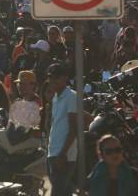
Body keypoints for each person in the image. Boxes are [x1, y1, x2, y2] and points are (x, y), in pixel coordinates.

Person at [46, 63, 78, 196]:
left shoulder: (71, 96)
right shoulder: (55, 97)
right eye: (50, 77)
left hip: (64, 156)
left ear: (65, 78)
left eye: (56, 77)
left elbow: (73, 129)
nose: (52, 80)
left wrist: (62, 154)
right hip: (53, 152)